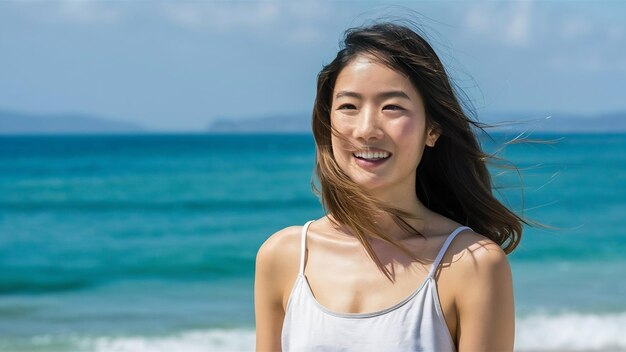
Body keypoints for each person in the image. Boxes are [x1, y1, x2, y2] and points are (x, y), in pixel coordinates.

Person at [255, 21, 525, 352]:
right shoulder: (284, 257)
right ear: (327, 125)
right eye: (349, 107)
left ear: (432, 130)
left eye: (392, 107)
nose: (367, 129)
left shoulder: (473, 263)